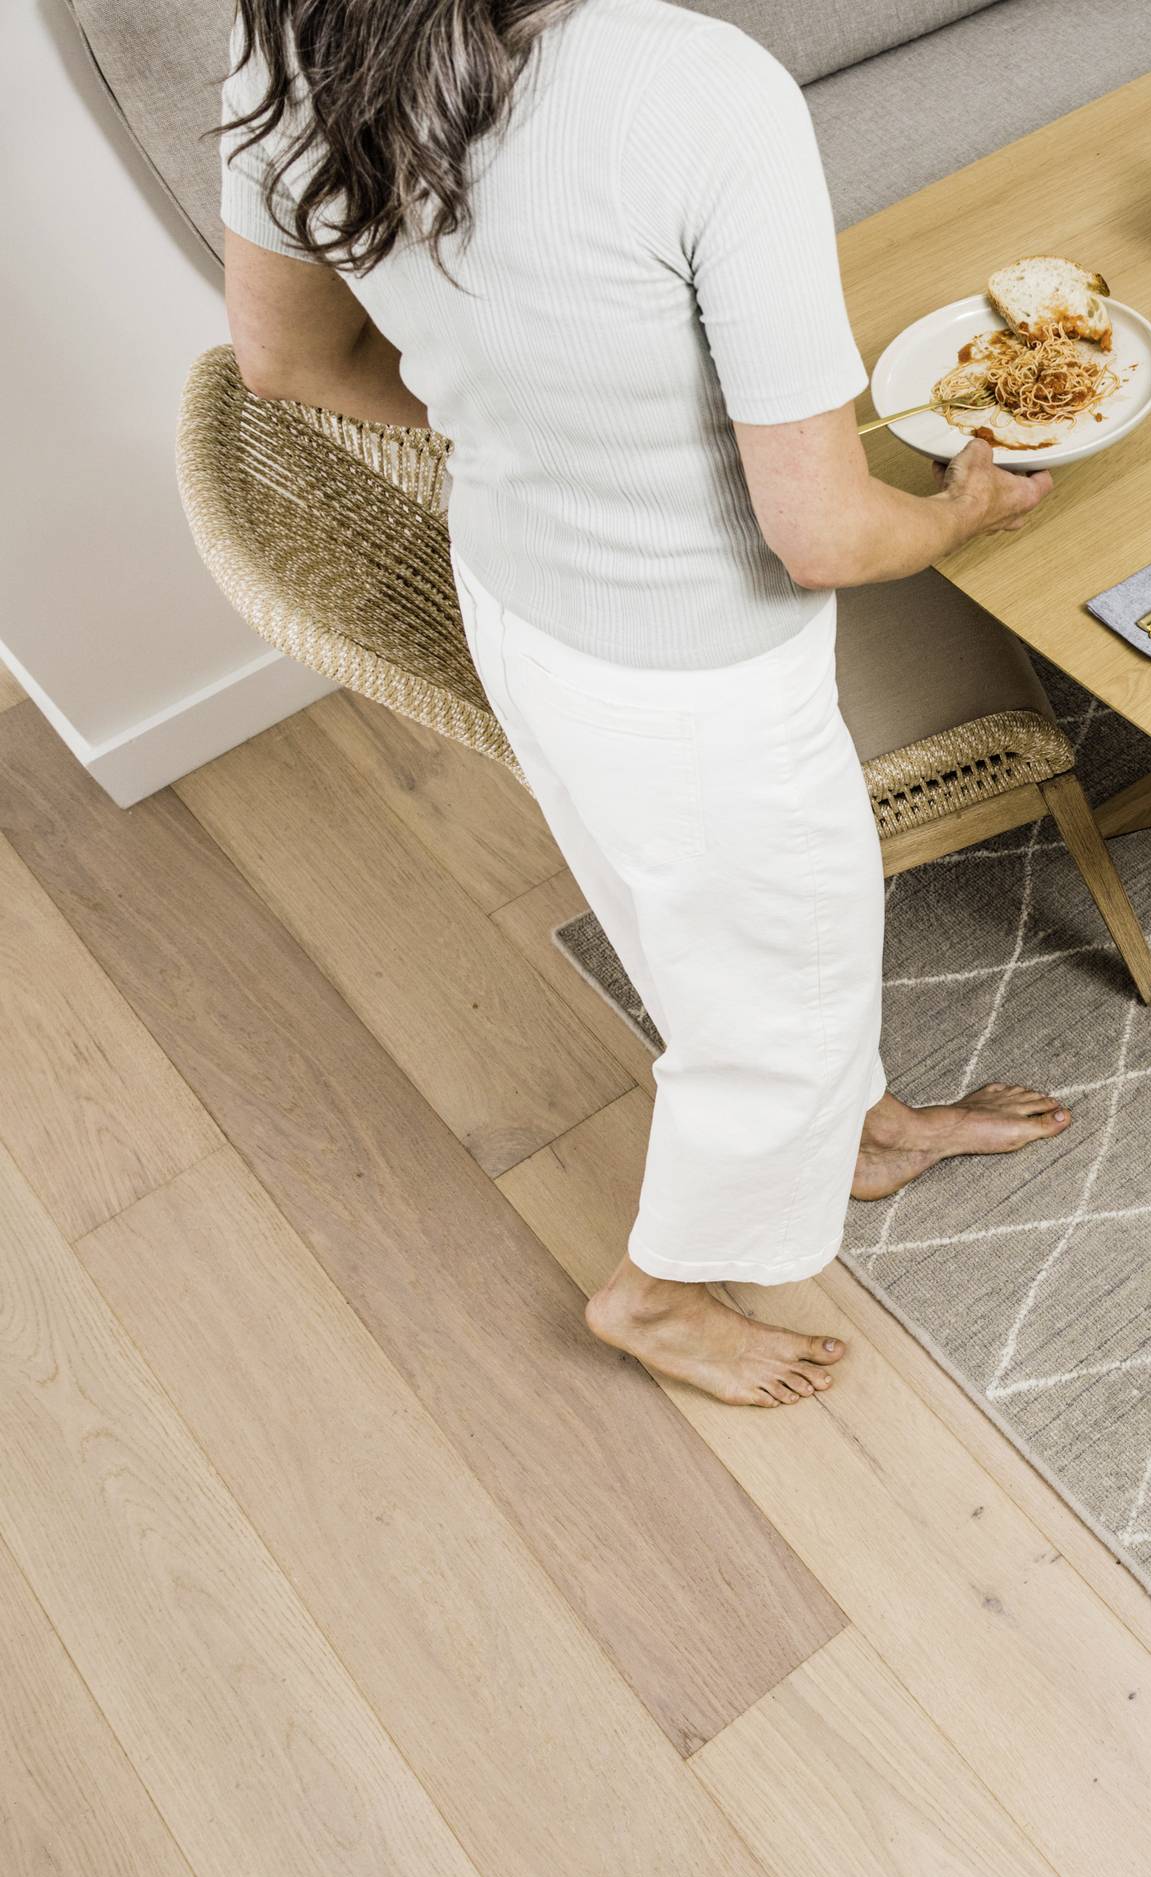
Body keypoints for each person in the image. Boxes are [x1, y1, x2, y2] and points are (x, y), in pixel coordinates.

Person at [218, 0, 1074, 1407]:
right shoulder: (696, 90)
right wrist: (966, 508)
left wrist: (523, 434)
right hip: (700, 671)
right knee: (774, 1000)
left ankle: (856, 1132)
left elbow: (285, 359)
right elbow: (827, 537)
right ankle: (657, 1292)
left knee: (710, 934)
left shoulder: (298, 36)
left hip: (531, 612)